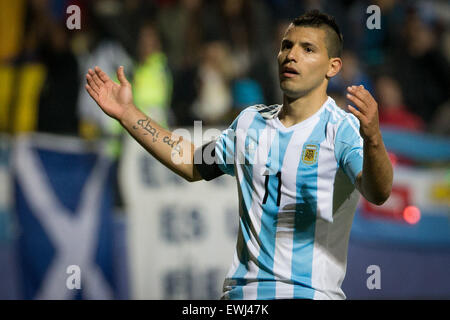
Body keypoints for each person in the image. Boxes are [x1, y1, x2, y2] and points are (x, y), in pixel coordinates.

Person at [85, 10, 393, 300]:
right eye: (286, 46)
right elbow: (190, 162)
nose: (292, 55)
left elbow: (377, 192)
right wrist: (127, 113)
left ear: (333, 66)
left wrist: (374, 139)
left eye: (308, 49)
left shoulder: (342, 129)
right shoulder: (251, 123)